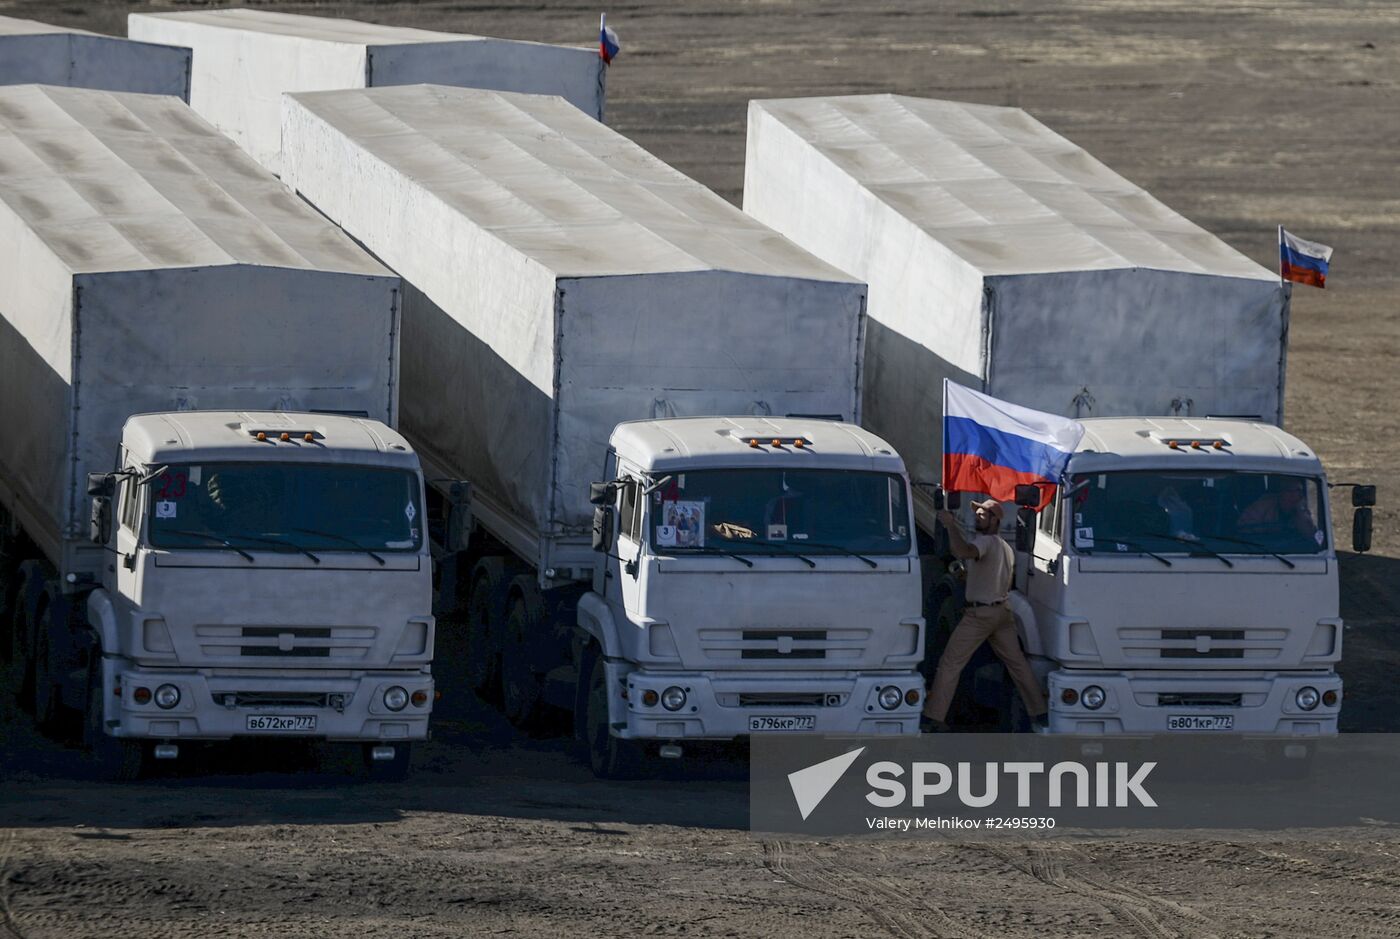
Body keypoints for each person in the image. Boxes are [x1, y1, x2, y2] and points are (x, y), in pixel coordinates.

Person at [922, 498, 1048, 732]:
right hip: (1002, 613)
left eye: (983, 515)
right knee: (1018, 665)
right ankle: (1040, 712)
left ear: (995, 520)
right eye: (977, 514)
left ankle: (933, 717)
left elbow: (962, 551)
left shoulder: (986, 542)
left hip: (980, 616)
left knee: (950, 664)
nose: (977, 517)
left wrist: (950, 525)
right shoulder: (1005, 548)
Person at [1238, 477, 1316, 538]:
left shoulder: (1303, 508)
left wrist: (1300, 511)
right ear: (1280, 492)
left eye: (1298, 490)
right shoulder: (1262, 506)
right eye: (1289, 490)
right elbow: (1243, 528)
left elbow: (1311, 535)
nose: (1294, 495)